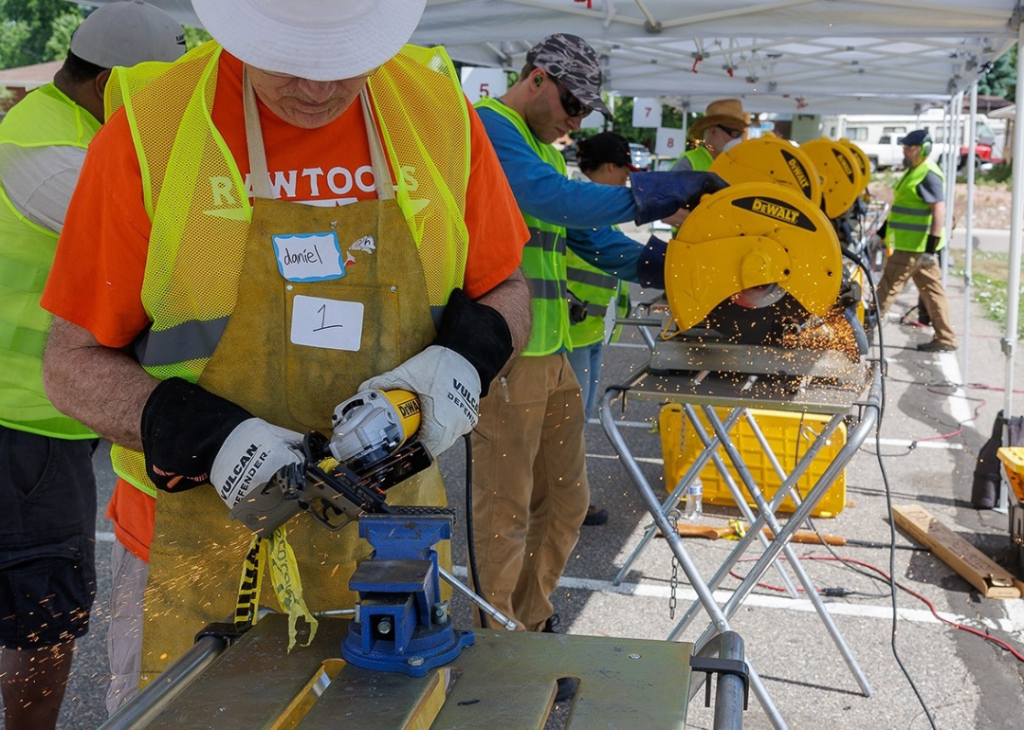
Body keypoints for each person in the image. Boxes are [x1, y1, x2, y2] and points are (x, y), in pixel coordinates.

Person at [39, 0, 532, 712]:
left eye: (343, 62)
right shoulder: (153, 131)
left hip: (390, 547)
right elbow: (70, 363)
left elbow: (507, 286)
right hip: (189, 550)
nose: (318, 89)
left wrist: (469, 359)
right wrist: (205, 435)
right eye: (290, 61)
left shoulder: (437, 116)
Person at [471, 32, 724, 668]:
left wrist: (671, 266)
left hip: (551, 351)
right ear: (536, 77)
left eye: (584, 111)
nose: (575, 120)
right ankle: (498, 645)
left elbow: (585, 241)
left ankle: (528, 618)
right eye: (570, 103)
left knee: (565, 500)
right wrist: (650, 194)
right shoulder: (489, 129)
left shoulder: (545, 154)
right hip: (506, 355)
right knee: (501, 513)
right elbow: (549, 201)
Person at [0, 3, 185, 728]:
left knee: (34, 602)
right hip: (25, 422)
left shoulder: (69, 125)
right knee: (39, 613)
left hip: (38, 420)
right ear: (114, 81)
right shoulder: (50, 150)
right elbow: (161, 246)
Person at [565, 132, 638, 526]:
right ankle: (569, 502)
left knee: (581, 420)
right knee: (569, 424)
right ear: (611, 166)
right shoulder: (580, 206)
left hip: (590, 331)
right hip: (571, 333)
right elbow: (612, 253)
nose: (628, 180)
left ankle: (570, 497)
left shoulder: (594, 208)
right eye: (626, 170)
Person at [875, 129, 957, 352]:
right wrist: (882, 233)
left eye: (910, 149)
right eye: (904, 148)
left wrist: (931, 248)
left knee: (886, 290)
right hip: (915, 246)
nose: (906, 152)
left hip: (914, 247)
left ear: (924, 149)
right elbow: (902, 208)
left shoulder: (927, 174)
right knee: (933, 293)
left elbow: (939, 211)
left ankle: (862, 334)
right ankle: (946, 339)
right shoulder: (915, 171)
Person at [665, 98, 748, 229]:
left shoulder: (741, 165)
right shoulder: (689, 163)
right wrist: (706, 224)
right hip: (690, 244)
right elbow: (666, 212)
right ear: (714, 132)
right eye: (733, 133)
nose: (737, 140)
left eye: (740, 134)